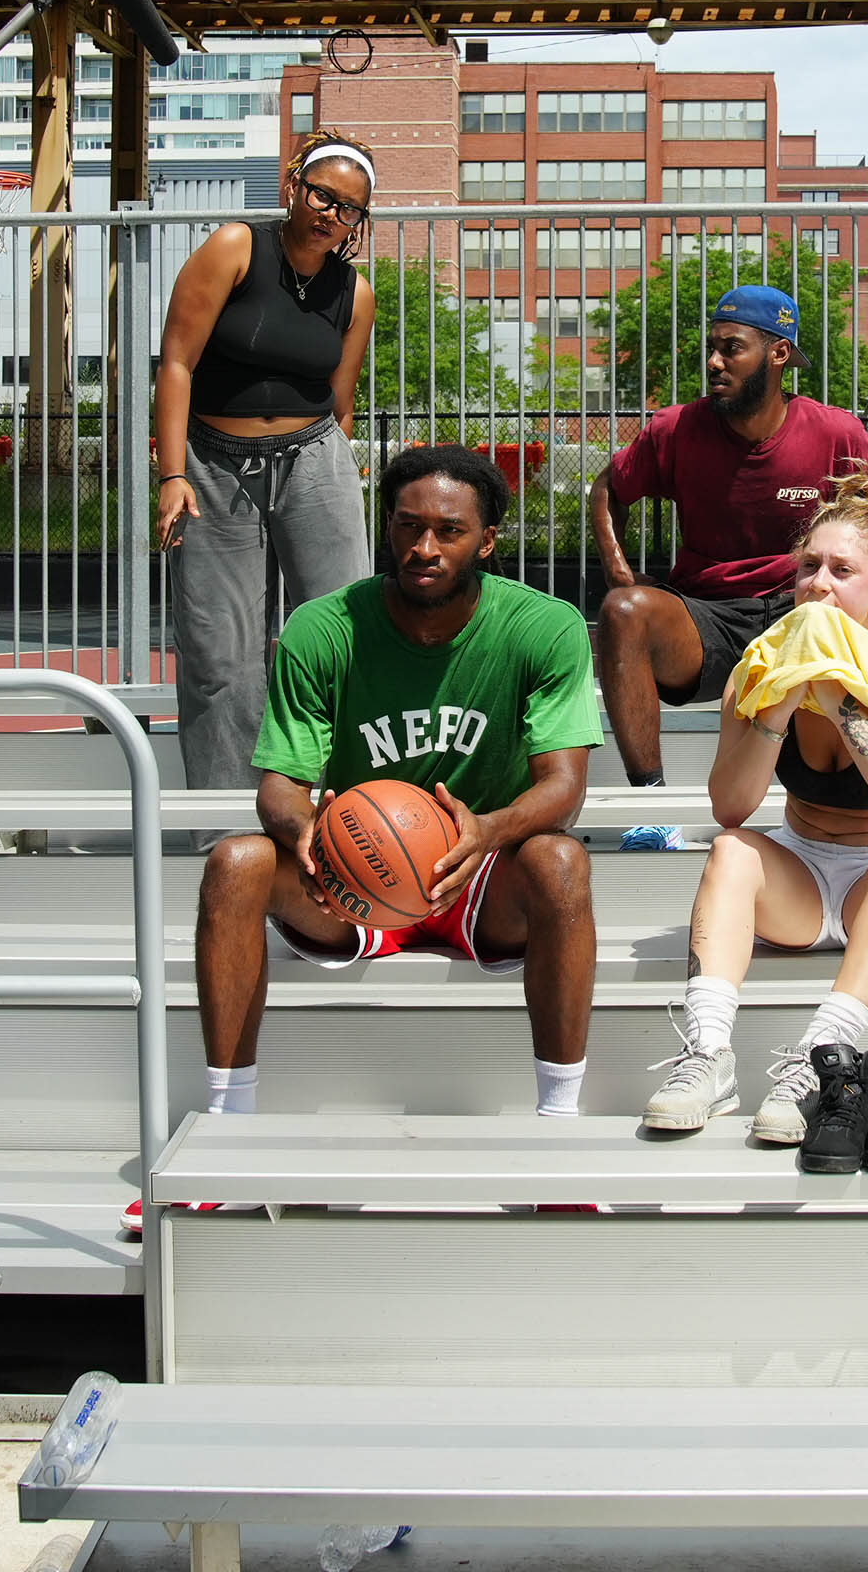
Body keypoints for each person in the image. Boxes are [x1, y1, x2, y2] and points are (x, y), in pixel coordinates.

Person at [190, 445, 600, 1132]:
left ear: (488, 540)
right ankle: (227, 1123)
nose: (424, 547)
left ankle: (559, 1123)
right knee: (236, 863)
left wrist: (488, 832)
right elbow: (281, 786)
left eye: (449, 530)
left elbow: (564, 786)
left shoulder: (543, 627)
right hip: (356, 878)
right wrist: (304, 835)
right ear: (388, 528)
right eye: (408, 527)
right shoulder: (324, 628)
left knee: (561, 862)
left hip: (479, 875)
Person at [639, 470, 868, 1161]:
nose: (818, 583)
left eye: (842, 570)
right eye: (809, 567)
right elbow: (731, 806)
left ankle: (821, 1057)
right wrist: (783, 704)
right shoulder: (756, 673)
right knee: (732, 850)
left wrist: (847, 711)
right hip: (802, 878)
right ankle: (709, 1056)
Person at [589, 284, 868, 810]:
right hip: (709, 617)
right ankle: (652, 804)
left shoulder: (834, 431)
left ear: (777, 354)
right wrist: (621, 573)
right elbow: (607, 489)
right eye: (712, 347)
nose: (714, 361)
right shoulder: (675, 428)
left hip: (806, 610)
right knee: (623, 611)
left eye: (732, 348)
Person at [151, 131, 382, 791]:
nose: (330, 215)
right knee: (219, 653)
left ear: (359, 223)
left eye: (349, 209)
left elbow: (342, 402)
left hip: (314, 460)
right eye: (321, 195)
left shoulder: (354, 294)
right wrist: (172, 475)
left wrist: (339, 479)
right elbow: (175, 364)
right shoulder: (235, 247)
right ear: (293, 188)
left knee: (341, 637)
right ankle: (227, 827)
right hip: (212, 465)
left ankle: (345, 799)